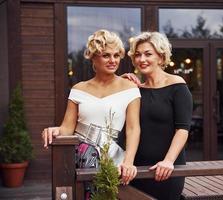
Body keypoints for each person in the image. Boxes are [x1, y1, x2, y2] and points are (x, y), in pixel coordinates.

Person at [41, 29, 141, 197]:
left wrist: (129, 162)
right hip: (80, 159)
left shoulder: (129, 88)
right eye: (106, 55)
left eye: (116, 55)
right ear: (93, 57)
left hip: (113, 159)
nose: (113, 60)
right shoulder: (78, 89)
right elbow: (67, 128)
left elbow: (133, 128)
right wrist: (54, 130)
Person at [126, 32, 193, 200]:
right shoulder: (135, 89)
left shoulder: (177, 86)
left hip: (166, 169)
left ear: (161, 57)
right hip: (136, 170)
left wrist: (168, 161)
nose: (142, 59)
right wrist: (119, 81)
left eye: (148, 54)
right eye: (138, 54)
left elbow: (182, 130)